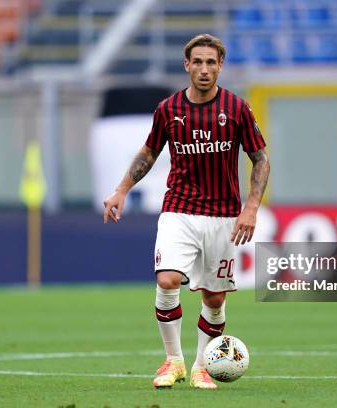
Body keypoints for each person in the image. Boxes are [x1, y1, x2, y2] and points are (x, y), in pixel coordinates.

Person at [103, 33, 270, 389]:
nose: (205, 69)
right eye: (198, 62)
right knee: (167, 280)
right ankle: (173, 361)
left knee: (214, 297)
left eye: (212, 62)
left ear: (220, 65)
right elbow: (148, 153)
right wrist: (121, 190)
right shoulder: (168, 110)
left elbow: (260, 158)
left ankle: (201, 366)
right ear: (187, 65)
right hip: (179, 210)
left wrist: (251, 207)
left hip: (224, 216)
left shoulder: (238, 109)